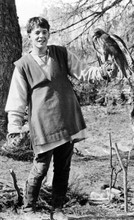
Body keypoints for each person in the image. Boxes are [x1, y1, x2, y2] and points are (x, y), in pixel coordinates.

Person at [2, 17, 106, 220]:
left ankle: (57, 209)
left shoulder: (61, 53)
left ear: (49, 33)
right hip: (42, 124)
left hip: (66, 119)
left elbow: (83, 71)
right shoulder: (23, 65)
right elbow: (17, 98)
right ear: (29, 36)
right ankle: (28, 209)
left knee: (63, 167)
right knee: (40, 167)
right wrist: (14, 126)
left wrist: (102, 72)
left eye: (44, 32)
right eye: (37, 33)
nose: (41, 36)